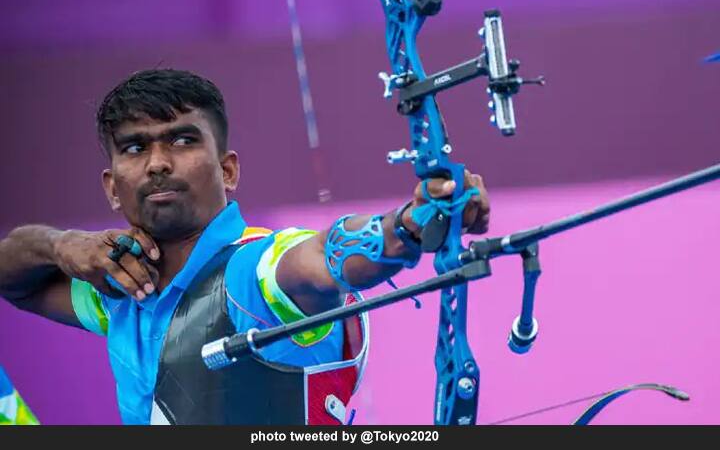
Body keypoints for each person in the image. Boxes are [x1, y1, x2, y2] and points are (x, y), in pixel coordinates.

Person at [0, 69, 490, 425]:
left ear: (228, 170)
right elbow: (13, 280)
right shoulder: (123, 290)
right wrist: (60, 244)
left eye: (182, 141)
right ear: (111, 186)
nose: (157, 164)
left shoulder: (254, 271)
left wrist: (406, 226)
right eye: (135, 147)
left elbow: (319, 260)